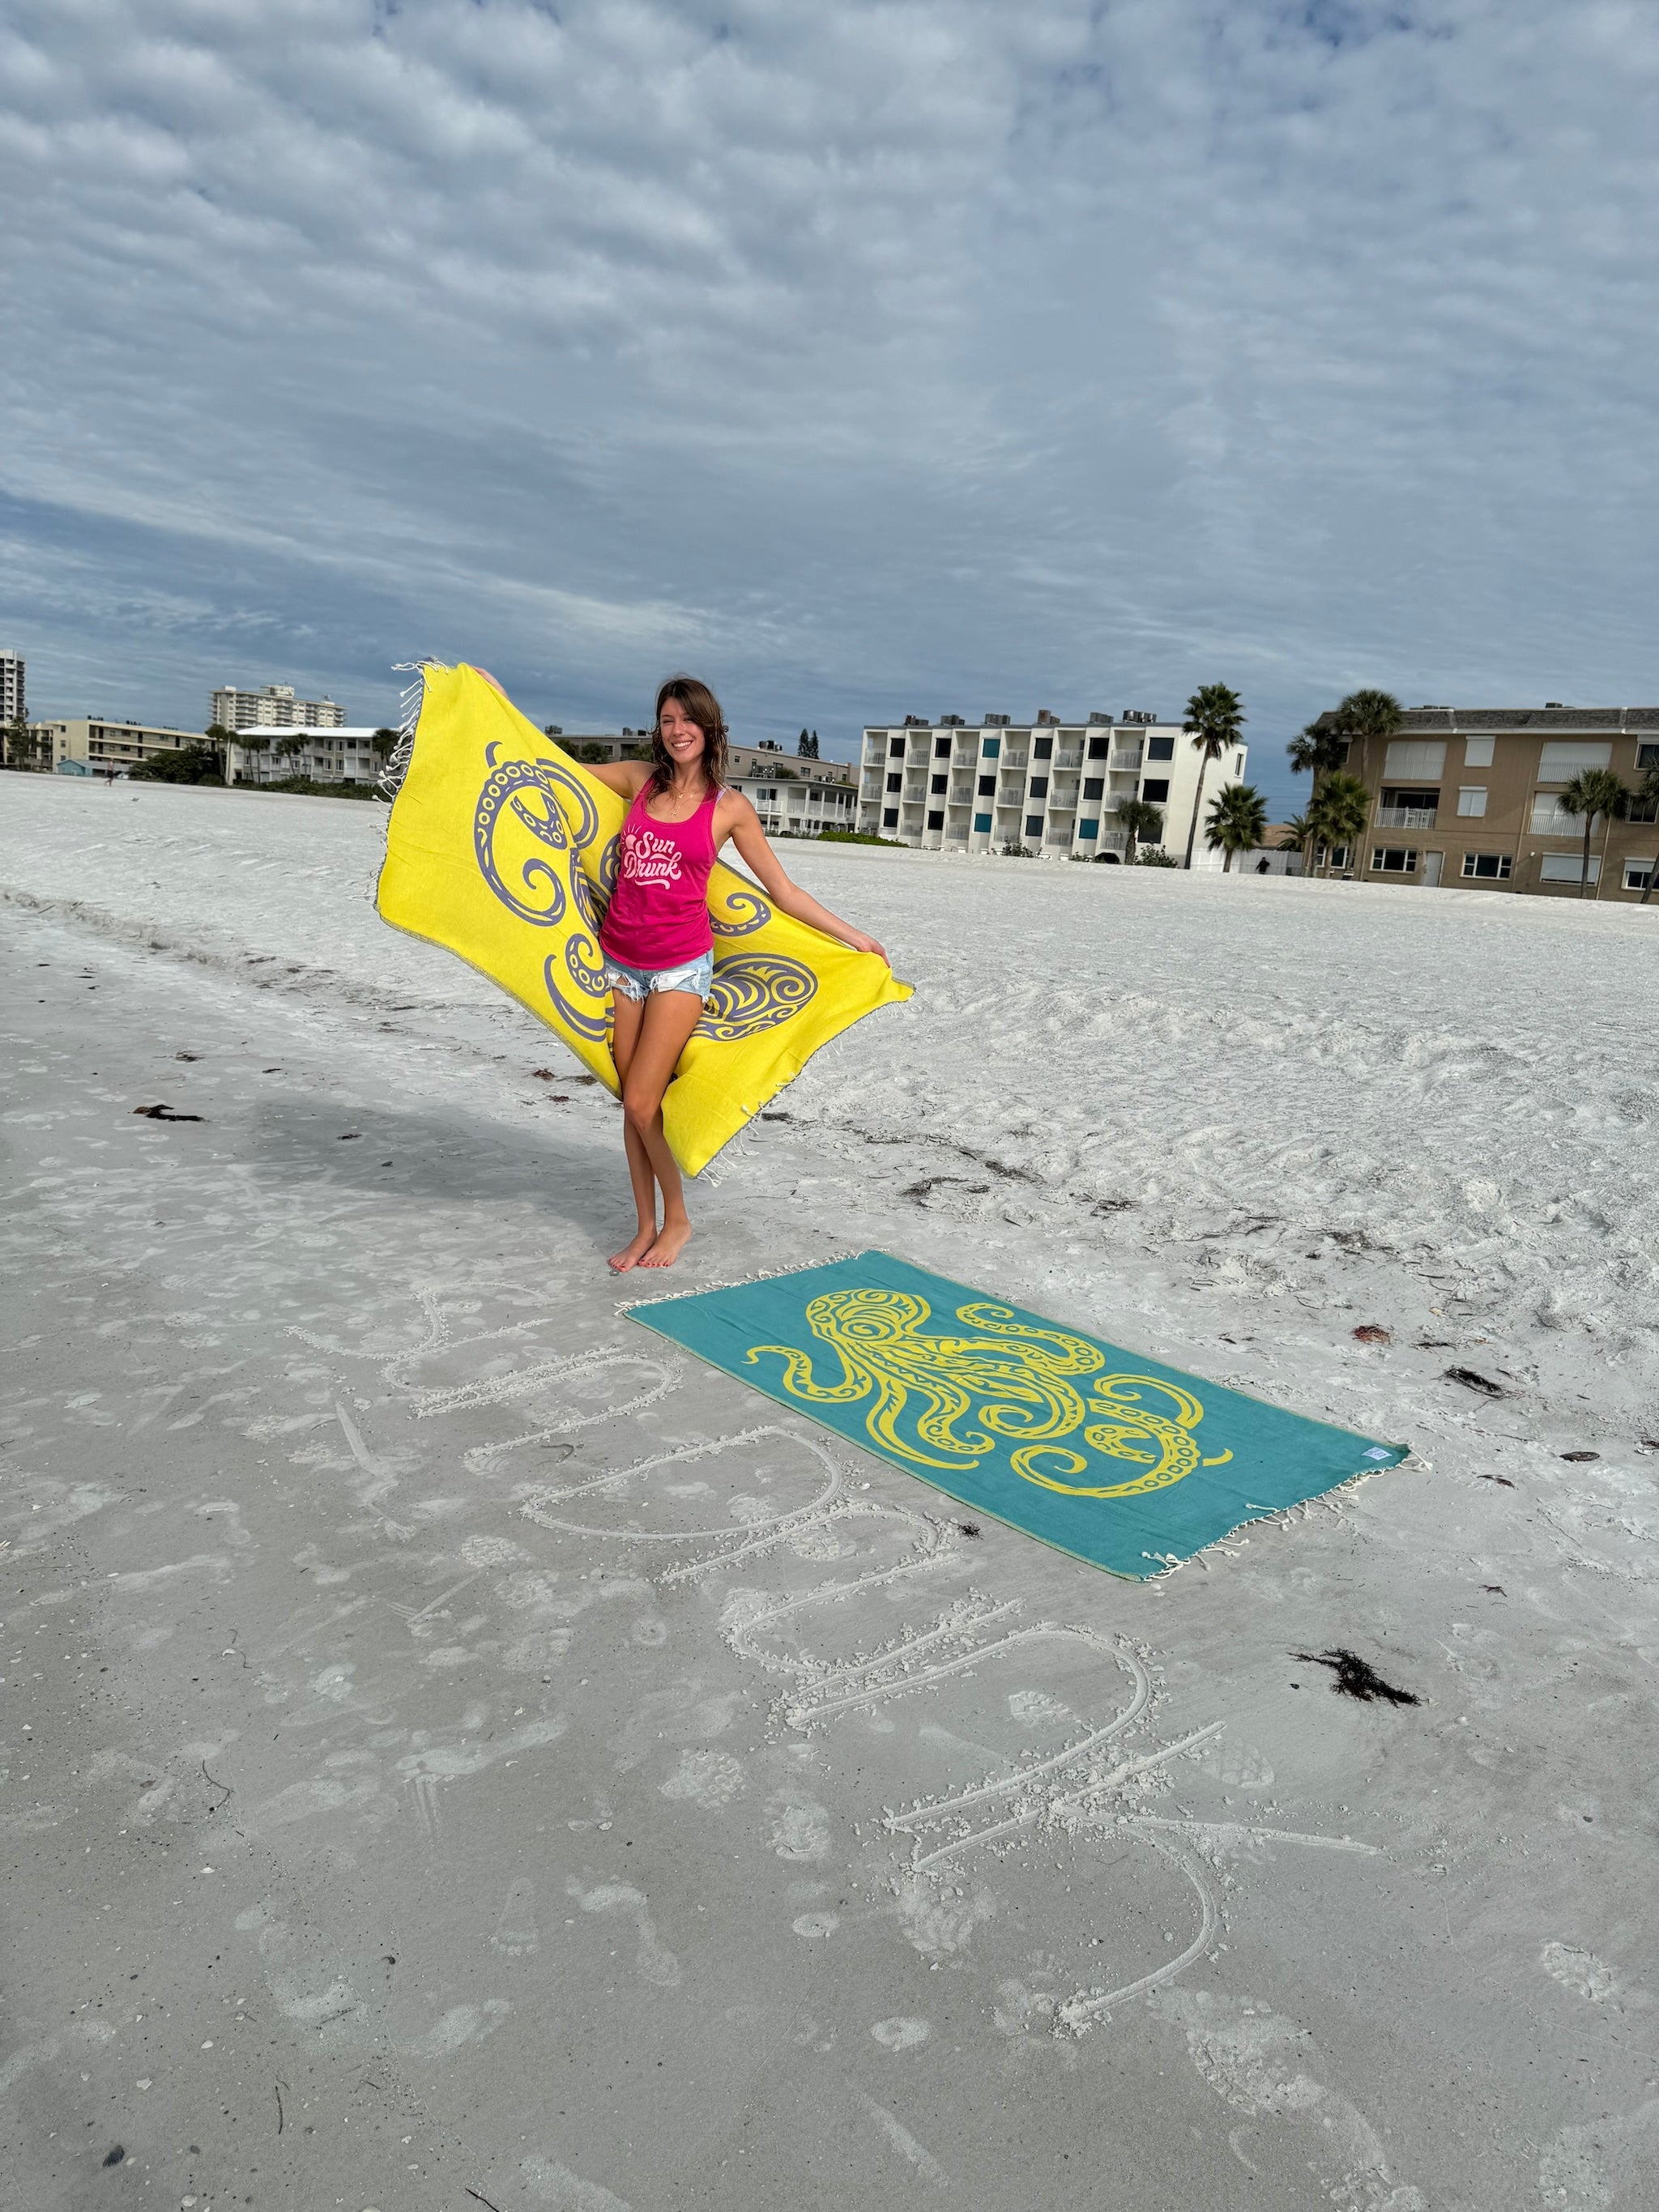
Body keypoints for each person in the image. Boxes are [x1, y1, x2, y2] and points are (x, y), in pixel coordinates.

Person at [585, 676, 887, 1274]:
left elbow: (783, 891)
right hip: (620, 962)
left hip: (680, 968)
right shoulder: (639, 780)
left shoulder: (729, 808)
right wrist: (497, 702)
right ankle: (643, 1227)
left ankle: (678, 1220)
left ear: (710, 727)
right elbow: (549, 765)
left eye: (687, 720)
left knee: (644, 1100)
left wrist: (853, 936)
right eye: (667, 720)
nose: (677, 730)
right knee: (632, 1105)